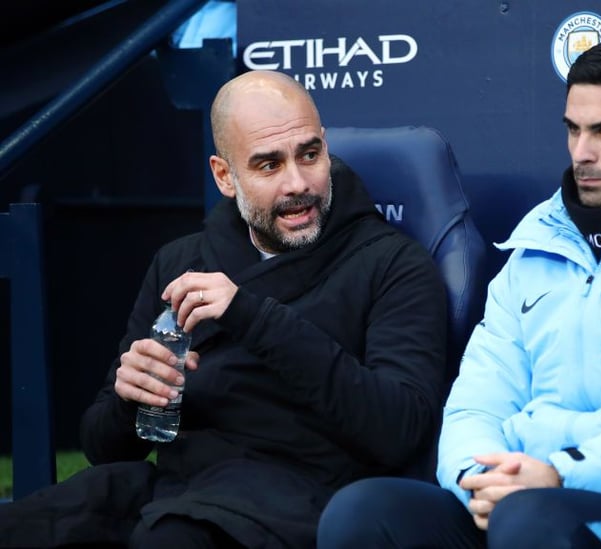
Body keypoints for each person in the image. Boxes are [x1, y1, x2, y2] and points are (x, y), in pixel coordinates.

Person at [317, 34, 601, 548]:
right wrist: (476, 479)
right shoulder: (539, 241)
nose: (582, 153)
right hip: (525, 494)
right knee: (366, 511)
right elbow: (476, 404)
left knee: (532, 521)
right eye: (573, 130)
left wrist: (563, 474)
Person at [0, 70, 448, 547]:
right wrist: (131, 399)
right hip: (176, 486)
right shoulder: (181, 262)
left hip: (304, 494)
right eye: (268, 165)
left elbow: (400, 430)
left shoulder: (393, 263)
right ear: (224, 176)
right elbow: (104, 448)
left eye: (310, 154)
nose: (298, 183)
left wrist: (252, 316)